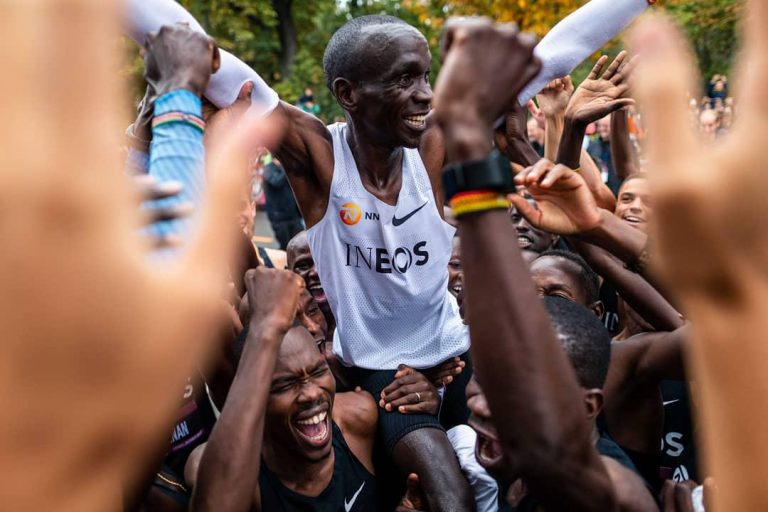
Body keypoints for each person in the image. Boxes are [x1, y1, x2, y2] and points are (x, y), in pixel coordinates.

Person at [261, 154, 305, 250]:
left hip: (293, 216)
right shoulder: (269, 168)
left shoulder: (284, 170)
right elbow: (276, 181)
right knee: (286, 247)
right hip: (279, 218)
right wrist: (285, 168)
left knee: (302, 244)